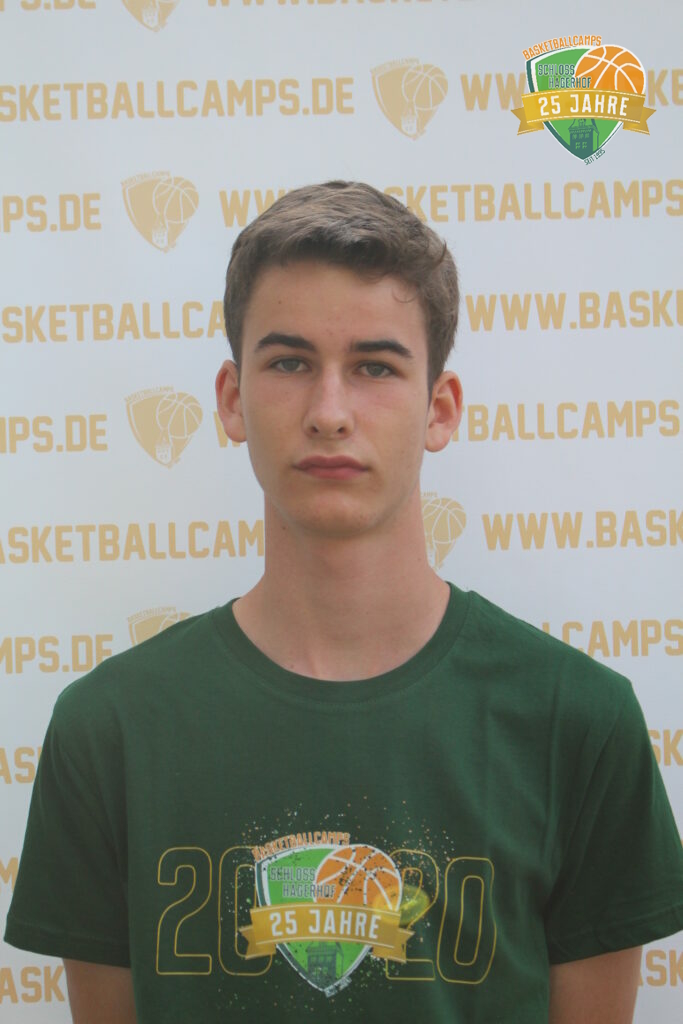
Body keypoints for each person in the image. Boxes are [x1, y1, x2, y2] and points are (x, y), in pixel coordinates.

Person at [5, 181, 683, 1023]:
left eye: (374, 367)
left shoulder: (575, 722)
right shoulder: (109, 730)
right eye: (289, 363)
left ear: (439, 409)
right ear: (231, 400)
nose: (329, 413)